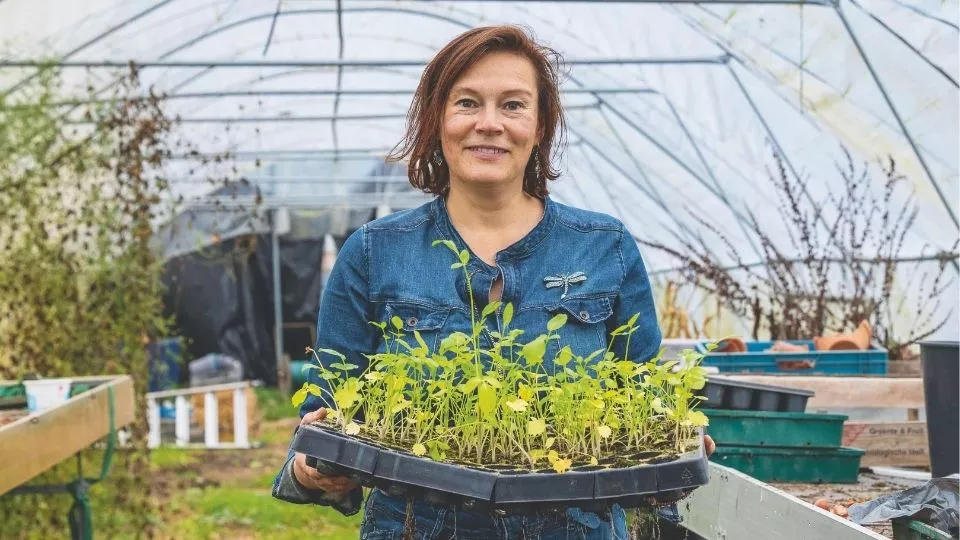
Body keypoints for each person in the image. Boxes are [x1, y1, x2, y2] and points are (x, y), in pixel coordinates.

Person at [273, 25, 716, 539]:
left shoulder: (603, 245)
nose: (489, 124)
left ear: (541, 125)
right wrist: (311, 468)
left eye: (512, 105)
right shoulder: (375, 252)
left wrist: (671, 448)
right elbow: (325, 414)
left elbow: (642, 400)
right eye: (466, 103)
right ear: (436, 120)